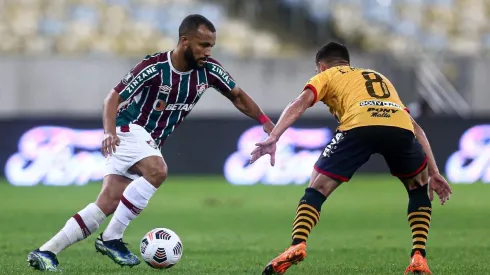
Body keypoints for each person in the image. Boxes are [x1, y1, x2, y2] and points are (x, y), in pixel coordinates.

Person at [27, 14, 274, 272]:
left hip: (147, 140)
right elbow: (112, 97)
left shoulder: (209, 70)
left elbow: (237, 95)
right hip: (128, 129)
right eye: (203, 45)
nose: (208, 51)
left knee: (107, 203)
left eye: (211, 45)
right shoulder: (155, 66)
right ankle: (111, 239)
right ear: (185, 41)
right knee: (157, 171)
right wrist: (109, 131)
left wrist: (266, 122)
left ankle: (45, 252)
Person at [250, 42, 452, 275]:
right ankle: (419, 256)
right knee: (418, 188)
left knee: (317, 187)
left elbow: (300, 103)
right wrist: (434, 173)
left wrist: (274, 136)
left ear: (322, 66)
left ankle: (297, 244)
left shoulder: (328, 75)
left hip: (359, 125)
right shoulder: (378, 76)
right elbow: (417, 128)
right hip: (399, 127)